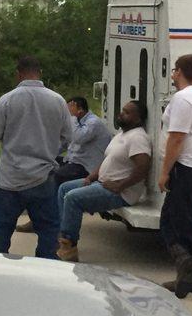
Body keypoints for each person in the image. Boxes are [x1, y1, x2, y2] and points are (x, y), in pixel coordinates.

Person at [0, 56, 72, 259]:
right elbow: (68, 138)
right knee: (49, 232)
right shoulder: (57, 100)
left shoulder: (7, 100)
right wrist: (50, 151)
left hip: (10, 179)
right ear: (39, 73)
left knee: (0, 232)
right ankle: (45, 271)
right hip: (42, 178)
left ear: (18, 74)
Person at [56, 100, 151, 262]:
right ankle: (59, 235)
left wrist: (120, 185)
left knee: (73, 198)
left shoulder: (138, 138)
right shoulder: (121, 135)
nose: (121, 113)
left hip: (120, 192)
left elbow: (143, 168)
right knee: (64, 188)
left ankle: (69, 246)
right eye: (122, 110)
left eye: (127, 112)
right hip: (102, 183)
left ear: (138, 119)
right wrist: (90, 177)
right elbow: (107, 160)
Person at [16, 96, 111, 233]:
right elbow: (65, 143)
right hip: (72, 161)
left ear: (79, 109)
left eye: (69, 108)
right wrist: (46, 156)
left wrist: (69, 119)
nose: (66, 112)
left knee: (56, 177)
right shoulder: (76, 122)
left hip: (87, 167)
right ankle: (38, 219)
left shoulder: (93, 123)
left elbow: (78, 138)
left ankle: (54, 222)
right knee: (43, 169)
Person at [157, 54, 192, 299]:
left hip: (186, 168)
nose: (172, 74)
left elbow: (177, 137)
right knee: (182, 218)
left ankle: (186, 271)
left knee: (174, 221)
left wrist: (165, 172)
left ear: (178, 72)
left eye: (174, 70)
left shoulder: (183, 98)